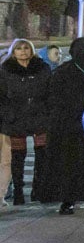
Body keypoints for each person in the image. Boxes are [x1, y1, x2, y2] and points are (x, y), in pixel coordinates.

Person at [37, 37, 84, 214]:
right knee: (69, 163)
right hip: (69, 126)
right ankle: (68, 198)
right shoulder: (63, 72)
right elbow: (53, 99)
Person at [1, 38, 50, 206]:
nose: (23, 51)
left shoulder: (42, 68)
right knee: (17, 157)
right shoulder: (6, 70)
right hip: (16, 118)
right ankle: (18, 192)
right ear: (13, 52)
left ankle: (39, 189)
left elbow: (49, 92)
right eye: (19, 48)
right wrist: (7, 115)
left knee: (42, 155)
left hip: (40, 116)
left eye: (26, 48)